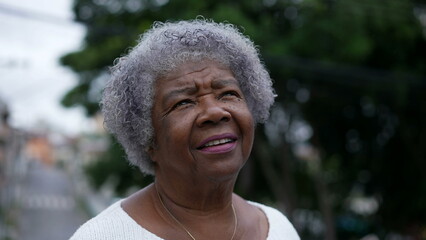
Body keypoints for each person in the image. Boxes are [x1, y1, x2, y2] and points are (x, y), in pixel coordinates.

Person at [70, 19, 300, 240]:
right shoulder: (103, 236)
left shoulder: (278, 228)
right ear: (148, 139)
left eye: (228, 94)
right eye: (183, 103)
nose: (215, 112)